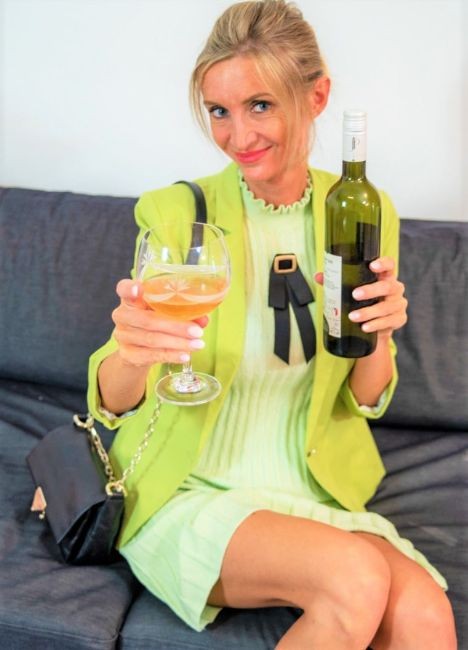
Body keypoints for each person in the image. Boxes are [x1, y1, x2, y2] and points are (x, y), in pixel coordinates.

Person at [88, 1, 457, 648]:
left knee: (426, 617)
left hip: (310, 487)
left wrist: (379, 333)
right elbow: (114, 404)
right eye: (219, 111)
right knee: (354, 579)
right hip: (190, 485)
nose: (238, 136)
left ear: (316, 97)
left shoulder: (361, 208)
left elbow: (367, 397)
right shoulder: (178, 214)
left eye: (260, 105)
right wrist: (132, 350)